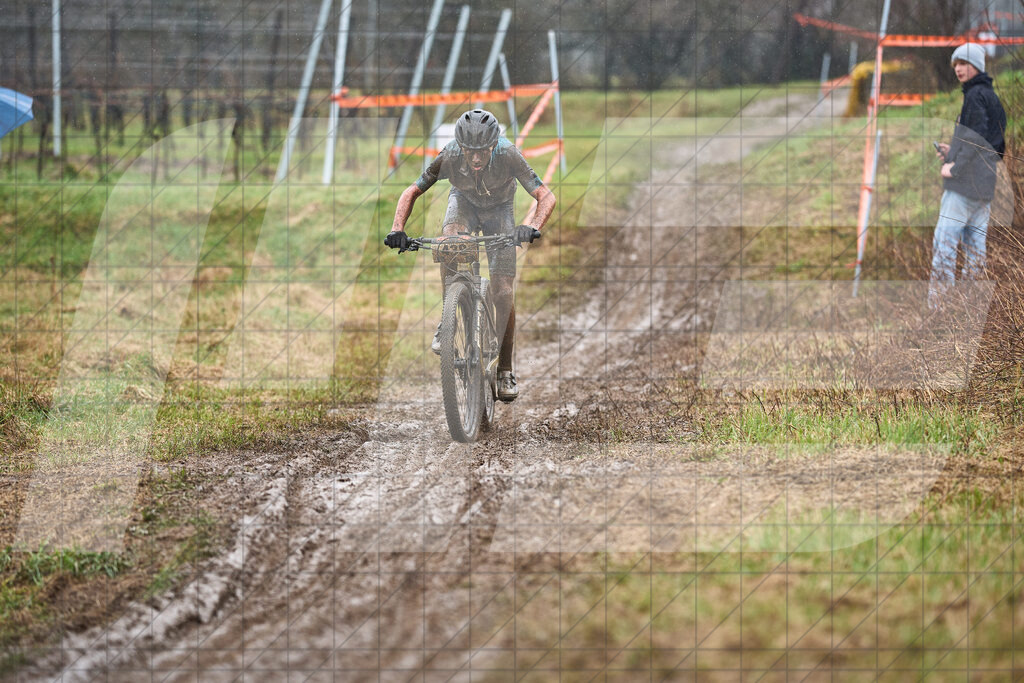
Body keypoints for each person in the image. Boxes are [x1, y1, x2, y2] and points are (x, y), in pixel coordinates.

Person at [385, 109, 556, 402]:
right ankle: (447, 317)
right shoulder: (449, 155)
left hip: (500, 209)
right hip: (463, 203)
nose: (475, 158)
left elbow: (545, 195)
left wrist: (530, 226)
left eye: (482, 151)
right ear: (460, 147)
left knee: (502, 291)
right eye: (469, 151)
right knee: (449, 242)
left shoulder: (508, 154)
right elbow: (411, 191)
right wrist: (397, 227)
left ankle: (505, 369)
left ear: (494, 144)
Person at [928, 42, 1006, 308]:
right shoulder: (990, 97)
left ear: (976, 66)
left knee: (944, 246)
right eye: (956, 64)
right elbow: (995, 145)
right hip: (984, 188)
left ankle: (939, 309)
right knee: (975, 252)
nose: (958, 69)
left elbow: (979, 140)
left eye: (964, 63)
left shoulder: (974, 97)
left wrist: (955, 167)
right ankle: (971, 308)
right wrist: (954, 152)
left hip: (962, 188)